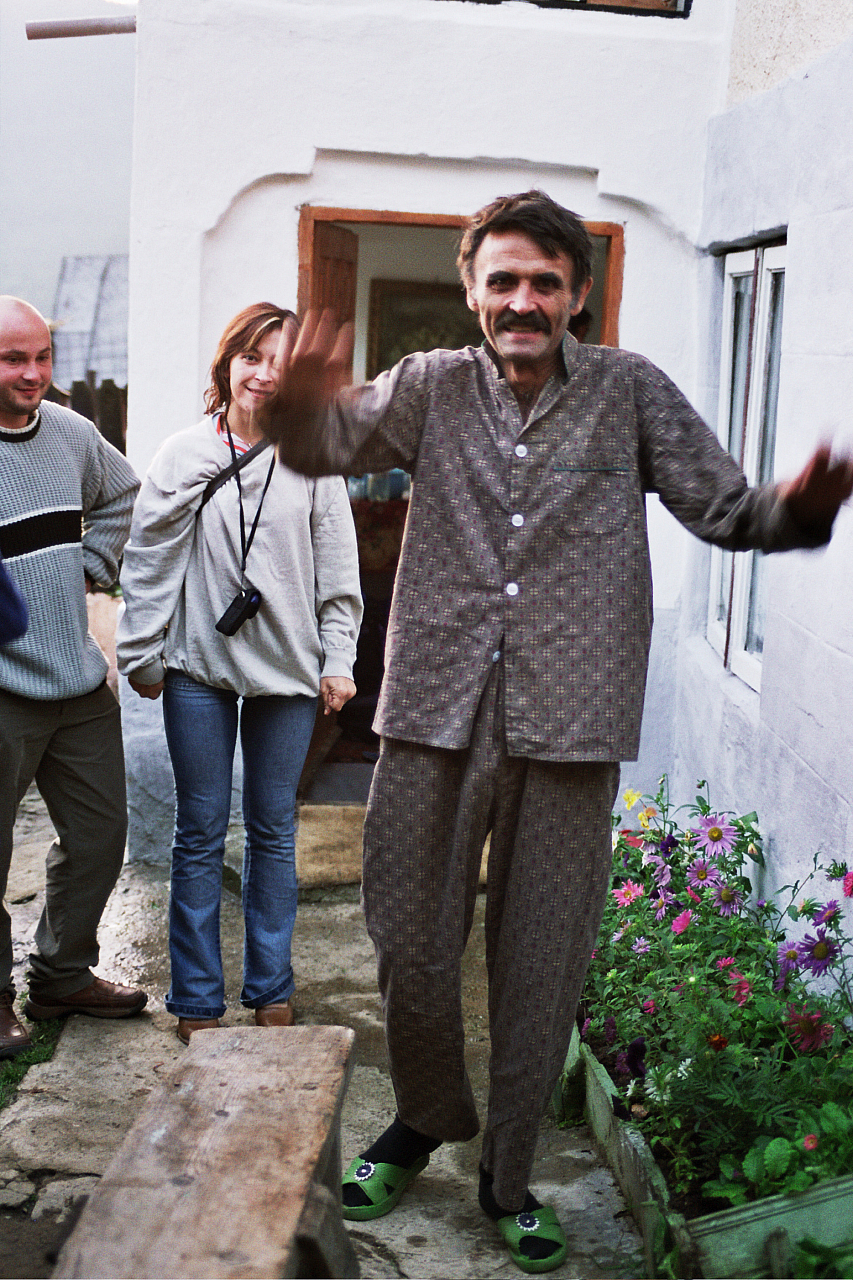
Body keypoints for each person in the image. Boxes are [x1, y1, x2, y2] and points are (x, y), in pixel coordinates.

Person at [264, 190, 853, 1273]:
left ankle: (509, 1174)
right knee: (405, 939)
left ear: (577, 294)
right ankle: (425, 1116)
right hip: (434, 706)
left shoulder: (629, 392)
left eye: (544, 281)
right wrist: (297, 406)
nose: (522, 300)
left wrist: (803, 506)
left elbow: (726, 507)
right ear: (472, 292)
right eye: (503, 281)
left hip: (572, 724)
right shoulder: (433, 387)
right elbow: (328, 443)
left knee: (541, 961)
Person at [116, 302, 362, 1045]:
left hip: (287, 675)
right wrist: (141, 654)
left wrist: (339, 657)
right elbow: (150, 561)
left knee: (272, 831)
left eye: (279, 361)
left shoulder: (313, 457)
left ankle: (271, 989)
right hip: (198, 668)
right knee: (197, 832)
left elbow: (337, 570)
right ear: (226, 364)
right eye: (250, 357)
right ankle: (195, 999)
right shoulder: (183, 454)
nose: (262, 374)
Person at [0, 296, 147, 1063]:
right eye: (11, 359)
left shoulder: (70, 433)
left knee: (98, 835)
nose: (31, 374)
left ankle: (60, 974)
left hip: (79, 682)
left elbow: (125, 495)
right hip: (2, 690)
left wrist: (94, 568)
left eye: (40, 358)